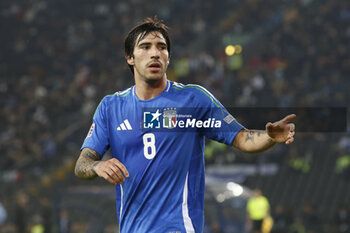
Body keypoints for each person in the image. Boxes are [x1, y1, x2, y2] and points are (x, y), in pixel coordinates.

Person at [74, 17, 296, 233]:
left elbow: (241, 138)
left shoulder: (193, 100)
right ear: (130, 58)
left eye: (162, 47)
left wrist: (269, 137)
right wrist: (97, 166)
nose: (155, 53)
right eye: (145, 47)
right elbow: (82, 163)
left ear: (168, 57)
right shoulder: (111, 107)